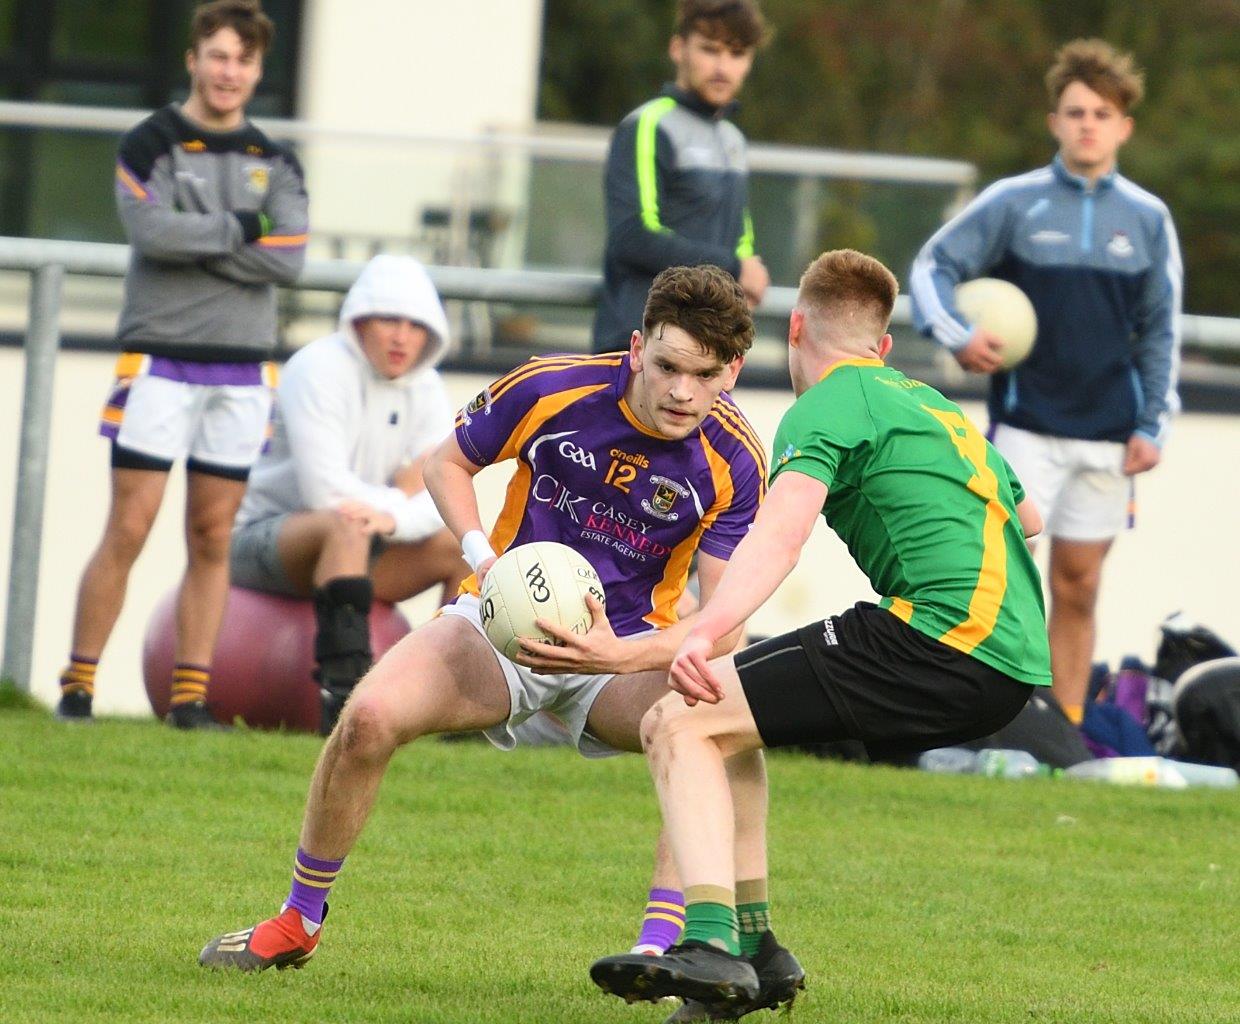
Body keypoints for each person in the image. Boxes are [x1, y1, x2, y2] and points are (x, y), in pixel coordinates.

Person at [198, 264, 775, 974]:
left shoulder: (738, 459)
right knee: (369, 718)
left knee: (709, 715)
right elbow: (448, 464)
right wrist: (484, 556)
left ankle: (660, 950)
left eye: (706, 374)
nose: (683, 391)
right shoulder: (549, 387)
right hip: (505, 623)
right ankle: (297, 920)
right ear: (635, 347)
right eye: (667, 366)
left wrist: (618, 657)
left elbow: (725, 620)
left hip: (622, 651)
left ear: (734, 371)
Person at [590, 249, 1051, 1016]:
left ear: (796, 325)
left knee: (676, 719)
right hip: (1008, 667)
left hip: (938, 641)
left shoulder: (828, 403)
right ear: (885, 347)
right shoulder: (930, 407)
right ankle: (759, 952)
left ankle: (708, 947)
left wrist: (703, 632)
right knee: (725, 722)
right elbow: (1029, 519)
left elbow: (778, 536)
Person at [909, 39, 1181, 726]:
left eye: (1102, 113)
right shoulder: (1014, 202)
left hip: (1110, 440)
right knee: (1001, 585)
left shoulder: (1148, 220)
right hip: (1026, 430)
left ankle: (1063, 732)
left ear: (1125, 126)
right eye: (1075, 111)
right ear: (1055, 121)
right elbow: (930, 267)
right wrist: (956, 336)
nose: (1088, 123)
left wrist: (1154, 426)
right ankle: (991, 722)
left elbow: (1160, 332)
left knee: (1079, 587)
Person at [55, 0, 307, 728]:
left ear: (258, 70)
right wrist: (241, 230)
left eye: (244, 59)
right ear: (193, 59)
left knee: (211, 535)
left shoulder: (276, 160)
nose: (229, 71)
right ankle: (78, 688)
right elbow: (150, 230)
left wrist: (203, 238)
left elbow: (289, 260)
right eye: (218, 55)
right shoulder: (150, 143)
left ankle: (190, 697)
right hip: (159, 362)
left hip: (241, 371)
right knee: (130, 526)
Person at [228, 255, 470, 734]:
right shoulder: (316, 368)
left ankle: (454, 710)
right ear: (359, 321)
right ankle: (343, 706)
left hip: (364, 541)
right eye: (388, 320)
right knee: (346, 526)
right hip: (267, 542)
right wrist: (397, 498)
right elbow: (325, 490)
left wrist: (395, 516)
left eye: (414, 324)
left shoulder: (427, 388)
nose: (402, 336)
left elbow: (443, 493)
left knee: (461, 544)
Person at [591, 0, 771, 352]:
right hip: (638, 347)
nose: (722, 66)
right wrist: (735, 268)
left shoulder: (733, 140)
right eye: (710, 49)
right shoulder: (647, 125)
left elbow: (740, 241)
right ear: (678, 48)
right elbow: (631, 237)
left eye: (737, 53)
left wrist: (747, 272)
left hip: (709, 349)